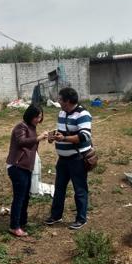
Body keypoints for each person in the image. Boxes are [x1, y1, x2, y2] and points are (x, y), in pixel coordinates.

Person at [45, 87, 92, 230]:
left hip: (77, 159)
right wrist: (53, 138)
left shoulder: (82, 114)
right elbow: (61, 131)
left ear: (68, 101)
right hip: (63, 160)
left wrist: (64, 138)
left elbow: (85, 136)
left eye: (60, 99)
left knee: (79, 189)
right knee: (59, 188)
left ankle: (81, 219)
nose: (58, 101)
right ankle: (56, 215)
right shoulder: (62, 112)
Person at [5, 104, 47, 237]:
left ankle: (22, 222)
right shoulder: (21, 127)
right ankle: (14, 226)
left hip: (26, 166)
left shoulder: (32, 127)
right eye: (36, 116)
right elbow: (22, 141)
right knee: (19, 197)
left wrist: (47, 138)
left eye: (40, 117)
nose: (38, 119)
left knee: (25, 196)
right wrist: (38, 138)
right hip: (17, 166)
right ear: (30, 115)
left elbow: (32, 144)